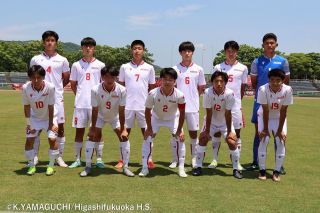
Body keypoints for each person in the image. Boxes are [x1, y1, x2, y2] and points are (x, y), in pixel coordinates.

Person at [80, 66, 135, 177]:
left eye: (112, 77)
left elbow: (121, 110)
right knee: (91, 137)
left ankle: (125, 167)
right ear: (102, 77)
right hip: (99, 116)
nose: (109, 80)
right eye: (106, 77)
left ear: (116, 77)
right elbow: (95, 110)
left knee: (124, 137)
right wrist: (92, 128)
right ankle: (88, 167)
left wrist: (123, 129)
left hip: (115, 117)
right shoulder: (95, 89)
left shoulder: (122, 90)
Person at [248, 33, 290, 173]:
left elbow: (286, 81)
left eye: (272, 43)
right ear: (263, 45)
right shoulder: (257, 61)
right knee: (259, 133)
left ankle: (279, 164)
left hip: (277, 102)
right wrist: (263, 95)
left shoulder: (283, 61)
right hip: (260, 101)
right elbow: (254, 83)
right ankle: (256, 161)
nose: (270, 45)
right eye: (267, 43)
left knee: (279, 133)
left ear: (276, 44)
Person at [29, 30, 70, 167]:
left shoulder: (62, 60)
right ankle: (34, 156)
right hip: (39, 97)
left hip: (57, 98)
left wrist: (55, 90)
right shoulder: (36, 59)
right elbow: (32, 76)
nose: (50, 42)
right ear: (43, 42)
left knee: (60, 127)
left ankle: (59, 157)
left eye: (52, 40)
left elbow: (66, 78)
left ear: (56, 42)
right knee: (36, 127)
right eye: (47, 40)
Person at [192, 71, 243, 179]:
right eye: (216, 81)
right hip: (211, 122)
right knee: (202, 140)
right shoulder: (207, 92)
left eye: (221, 81)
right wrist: (206, 131)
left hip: (225, 122)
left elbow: (228, 113)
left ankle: (235, 169)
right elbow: (209, 113)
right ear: (212, 82)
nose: (219, 84)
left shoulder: (230, 93)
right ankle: (198, 167)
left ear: (225, 82)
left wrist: (229, 131)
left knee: (232, 142)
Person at [138, 68, 187, 178]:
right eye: (165, 79)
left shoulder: (180, 95)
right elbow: (147, 110)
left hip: (173, 118)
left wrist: (179, 130)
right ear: (160, 80)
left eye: (170, 80)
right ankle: (144, 168)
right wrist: (149, 128)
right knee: (147, 138)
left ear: (175, 81)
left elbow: (182, 113)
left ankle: (181, 168)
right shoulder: (152, 93)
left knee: (180, 138)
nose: (167, 82)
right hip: (156, 118)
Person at [117, 40, 156, 169]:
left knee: (147, 132)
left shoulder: (149, 68)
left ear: (143, 50)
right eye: (134, 48)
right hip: (127, 106)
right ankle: (122, 159)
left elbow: (151, 88)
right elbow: (121, 86)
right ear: (131, 50)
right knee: (124, 132)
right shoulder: (124, 67)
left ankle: (149, 159)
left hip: (143, 106)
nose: (137, 51)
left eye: (139, 48)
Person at [69, 37, 105, 168]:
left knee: (97, 131)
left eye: (90, 46)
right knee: (79, 131)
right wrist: (80, 96)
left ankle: (99, 159)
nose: (88, 48)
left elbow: (103, 84)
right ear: (82, 48)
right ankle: (78, 159)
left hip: (96, 105)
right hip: (80, 104)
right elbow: (73, 84)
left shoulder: (101, 65)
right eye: (85, 46)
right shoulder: (76, 65)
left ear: (94, 48)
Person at [211, 41, 248, 170]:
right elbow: (214, 85)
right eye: (228, 51)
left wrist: (236, 100)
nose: (231, 53)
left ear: (237, 52)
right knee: (216, 132)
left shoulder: (243, 68)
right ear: (225, 52)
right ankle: (214, 160)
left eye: (233, 51)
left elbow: (242, 88)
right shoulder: (218, 67)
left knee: (236, 133)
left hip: (236, 105)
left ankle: (236, 162)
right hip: (219, 106)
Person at [172, 41, 206, 168]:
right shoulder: (175, 69)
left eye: (189, 51)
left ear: (192, 53)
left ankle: (193, 158)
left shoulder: (199, 69)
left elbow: (201, 87)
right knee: (176, 132)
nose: (187, 53)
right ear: (180, 53)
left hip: (192, 107)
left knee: (193, 133)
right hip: (177, 107)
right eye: (184, 51)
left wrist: (193, 98)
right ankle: (175, 159)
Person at [257, 69, 293, 182]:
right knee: (264, 139)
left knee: (280, 140)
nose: (275, 83)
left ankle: (276, 171)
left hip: (279, 118)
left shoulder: (288, 90)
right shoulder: (263, 89)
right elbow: (265, 110)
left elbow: (283, 111)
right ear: (269, 80)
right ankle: (262, 171)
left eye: (278, 80)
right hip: (264, 116)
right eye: (272, 80)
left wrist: (280, 130)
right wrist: (265, 130)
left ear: (283, 81)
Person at [22, 65, 59, 176]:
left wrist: (51, 123)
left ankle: (51, 166)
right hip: (34, 118)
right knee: (29, 140)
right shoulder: (25, 88)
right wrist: (29, 124)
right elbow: (26, 107)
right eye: (33, 77)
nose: (36, 80)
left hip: (50, 116)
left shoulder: (50, 87)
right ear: (30, 78)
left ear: (43, 77)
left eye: (39, 77)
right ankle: (31, 166)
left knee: (52, 139)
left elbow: (51, 106)